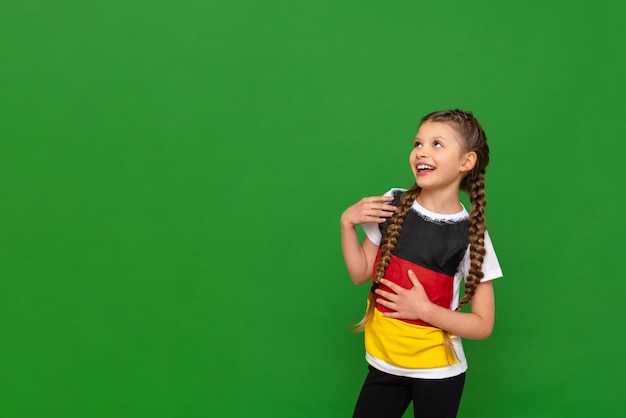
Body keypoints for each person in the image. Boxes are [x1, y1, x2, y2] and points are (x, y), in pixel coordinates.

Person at [340, 109, 503, 418]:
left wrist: (424, 310)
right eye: (418, 143)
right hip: (383, 364)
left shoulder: (471, 235)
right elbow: (360, 273)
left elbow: (483, 325)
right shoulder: (391, 204)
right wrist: (347, 223)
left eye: (437, 144)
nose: (421, 152)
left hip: (437, 373)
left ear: (466, 162)